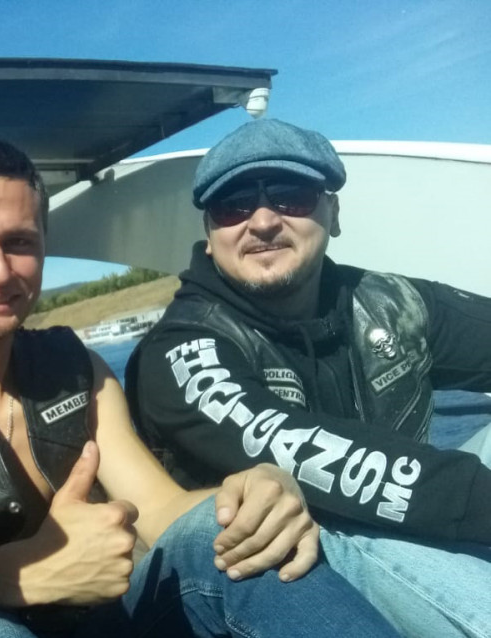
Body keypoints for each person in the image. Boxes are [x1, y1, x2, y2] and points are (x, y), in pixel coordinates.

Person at [0, 136, 400, 637]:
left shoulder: (78, 368)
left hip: (101, 622)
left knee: (238, 541)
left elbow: (161, 511)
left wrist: (250, 494)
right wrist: (26, 573)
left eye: (19, 242)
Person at [126, 118, 491, 638]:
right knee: (336, 527)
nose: (262, 221)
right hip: (283, 569)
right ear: (209, 234)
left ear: (333, 213)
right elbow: (334, 463)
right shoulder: (181, 351)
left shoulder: (393, 303)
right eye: (233, 206)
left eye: (290, 195)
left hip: (409, 523)